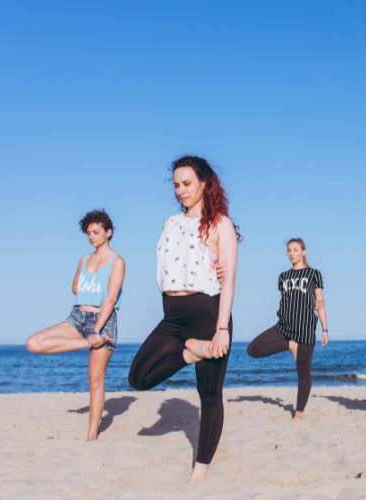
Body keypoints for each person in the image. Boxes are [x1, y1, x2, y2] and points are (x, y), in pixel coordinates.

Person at [128, 155, 239, 481]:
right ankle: (190, 352)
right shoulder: (170, 223)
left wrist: (221, 328)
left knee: (209, 395)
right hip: (172, 317)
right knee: (138, 377)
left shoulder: (221, 224)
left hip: (207, 313)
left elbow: (229, 279)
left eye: (187, 183)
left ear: (204, 183)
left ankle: (200, 471)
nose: (180, 190)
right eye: (176, 184)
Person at [26, 209, 125, 441]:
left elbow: (110, 300)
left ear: (108, 232)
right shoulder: (84, 259)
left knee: (95, 380)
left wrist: (97, 330)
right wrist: (87, 339)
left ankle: (91, 436)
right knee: (34, 343)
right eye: (88, 233)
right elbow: (75, 289)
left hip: (103, 321)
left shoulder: (117, 261)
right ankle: (84, 344)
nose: (91, 236)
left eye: (96, 232)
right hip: (76, 317)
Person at [245, 238, 329, 420]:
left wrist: (325, 329)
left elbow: (320, 303)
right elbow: (285, 300)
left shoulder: (315, 274)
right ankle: (290, 345)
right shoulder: (283, 277)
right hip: (283, 326)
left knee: (303, 372)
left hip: (305, 328)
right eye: (289, 250)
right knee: (253, 349)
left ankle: (299, 413)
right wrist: (289, 342)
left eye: (295, 250)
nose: (292, 253)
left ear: (304, 252)